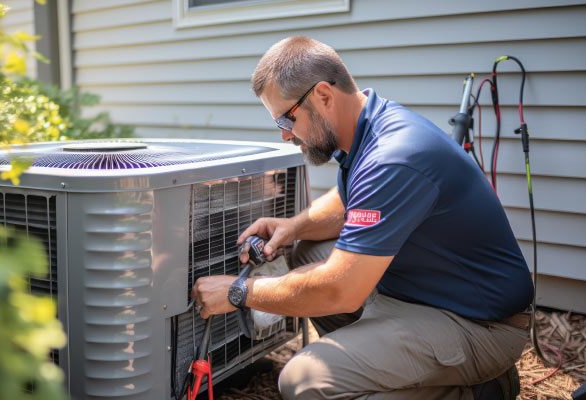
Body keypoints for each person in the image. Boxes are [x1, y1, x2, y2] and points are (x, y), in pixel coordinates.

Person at [191, 36, 534, 400]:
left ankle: (481, 390)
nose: (284, 134)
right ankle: (403, 368)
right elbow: (346, 202)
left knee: (305, 381)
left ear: (323, 95)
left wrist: (238, 292)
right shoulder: (368, 127)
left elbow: (339, 290)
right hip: (420, 291)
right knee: (308, 253)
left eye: (285, 117)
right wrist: (293, 228)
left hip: (476, 322)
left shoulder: (394, 156)